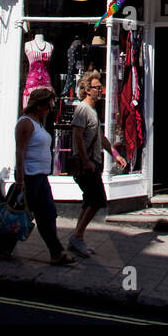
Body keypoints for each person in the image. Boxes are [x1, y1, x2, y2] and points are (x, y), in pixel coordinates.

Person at [0, 87, 75, 265]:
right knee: (21, 213)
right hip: (29, 176)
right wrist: (20, 180)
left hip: (40, 176)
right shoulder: (26, 123)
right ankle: (3, 248)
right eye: (49, 105)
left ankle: (54, 252)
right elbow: (20, 152)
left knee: (46, 214)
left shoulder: (38, 122)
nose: (51, 109)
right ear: (39, 106)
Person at [68, 70, 124, 257]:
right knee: (97, 200)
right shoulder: (82, 110)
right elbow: (77, 137)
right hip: (87, 165)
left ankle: (76, 238)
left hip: (93, 163)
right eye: (96, 88)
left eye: (100, 87)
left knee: (89, 200)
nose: (100, 90)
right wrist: (86, 161)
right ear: (86, 89)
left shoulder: (92, 111)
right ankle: (78, 236)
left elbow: (100, 137)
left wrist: (115, 154)